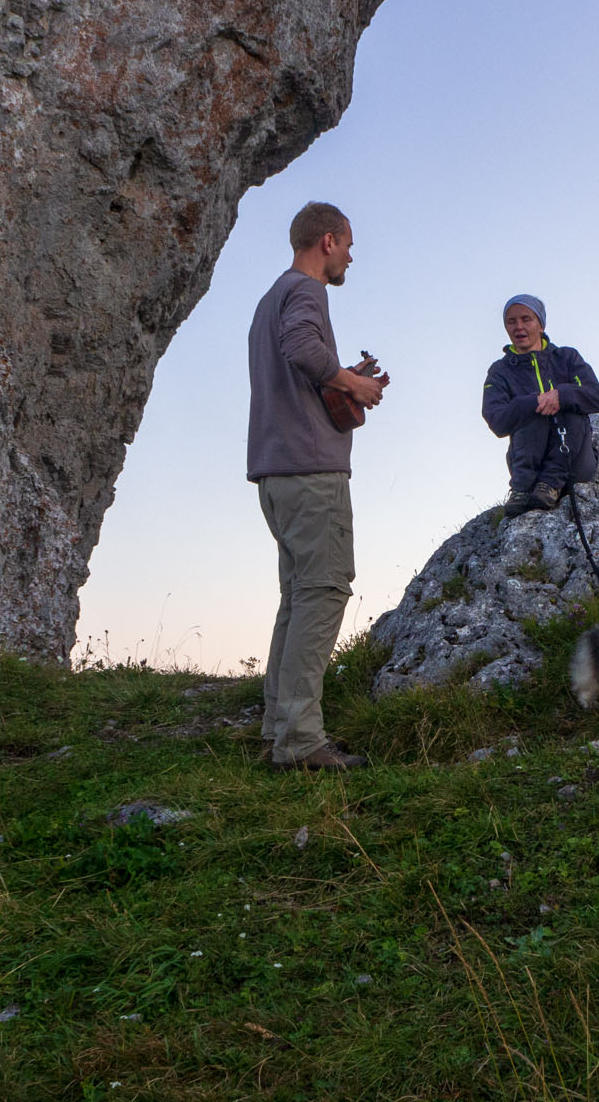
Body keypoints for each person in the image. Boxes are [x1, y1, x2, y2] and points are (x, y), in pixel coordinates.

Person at [247, 201, 386, 772]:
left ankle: (278, 729)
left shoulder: (269, 299)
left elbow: (294, 361)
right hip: (310, 471)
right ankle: (302, 743)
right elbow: (302, 350)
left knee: (299, 596)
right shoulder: (307, 290)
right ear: (326, 241)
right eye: (348, 243)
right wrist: (354, 381)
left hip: (276, 470)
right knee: (325, 589)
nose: (351, 254)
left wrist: (342, 381)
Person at [481, 294, 599, 516]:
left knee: (569, 403)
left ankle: (551, 483)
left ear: (541, 324)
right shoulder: (500, 371)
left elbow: (597, 397)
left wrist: (562, 395)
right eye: (511, 321)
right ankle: (522, 489)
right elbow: (497, 420)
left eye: (526, 319)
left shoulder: (567, 357)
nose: (518, 327)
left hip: (574, 464)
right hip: (528, 469)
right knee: (531, 408)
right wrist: (534, 402)